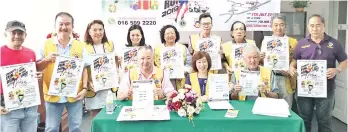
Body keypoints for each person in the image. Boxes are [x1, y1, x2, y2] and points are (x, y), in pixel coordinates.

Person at [290, 14, 347, 132]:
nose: (315, 28)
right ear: (308, 27)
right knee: (304, 120)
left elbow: (344, 61)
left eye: (318, 25)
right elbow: (294, 61)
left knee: (324, 122)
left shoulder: (334, 43)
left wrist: (337, 70)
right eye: (312, 26)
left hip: (326, 89)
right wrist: (292, 68)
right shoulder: (301, 43)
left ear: (323, 26)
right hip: (304, 90)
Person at [36, 12, 89, 132]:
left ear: (72, 26)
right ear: (55, 26)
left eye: (67, 24)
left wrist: (85, 88)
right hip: (52, 95)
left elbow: (84, 68)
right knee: (51, 128)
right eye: (61, 24)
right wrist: (46, 59)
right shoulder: (45, 44)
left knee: (75, 127)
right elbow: (37, 68)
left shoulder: (80, 46)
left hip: (75, 94)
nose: (64, 27)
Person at [0, 20, 42, 132]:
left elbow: (31, 75)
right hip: (7, 105)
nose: (17, 36)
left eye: (20, 33)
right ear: (5, 34)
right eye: (13, 33)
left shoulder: (31, 53)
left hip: (30, 103)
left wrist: (37, 76)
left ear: (25, 35)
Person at [260, 13, 298, 108]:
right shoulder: (265, 41)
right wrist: (261, 57)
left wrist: (290, 67)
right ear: (271, 26)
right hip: (270, 78)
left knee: (286, 108)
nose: (278, 28)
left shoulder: (293, 42)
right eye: (275, 25)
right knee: (270, 108)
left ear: (285, 26)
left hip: (286, 78)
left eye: (281, 24)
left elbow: (296, 59)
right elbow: (262, 63)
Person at [82, 20, 118, 119]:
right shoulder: (83, 46)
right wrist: (88, 83)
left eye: (100, 29)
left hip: (108, 86)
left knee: (111, 114)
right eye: (95, 30)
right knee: (95, 115)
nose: (98, 32)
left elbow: (114, 63)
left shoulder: (110, 44)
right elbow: (83, 68)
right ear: (89, 31)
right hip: (94, 87)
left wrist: (117, 60)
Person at [154, 25, 192, 90]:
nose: (170, 35)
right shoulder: (157, 49)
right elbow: (154, 66)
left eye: (172, 33)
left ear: (176, 35)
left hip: (180, 80)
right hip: (163, 80)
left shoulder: (183, 48)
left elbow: (189, 64)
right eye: (167, 34)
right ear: (163, 36)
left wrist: (182, 72)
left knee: (178, 98)